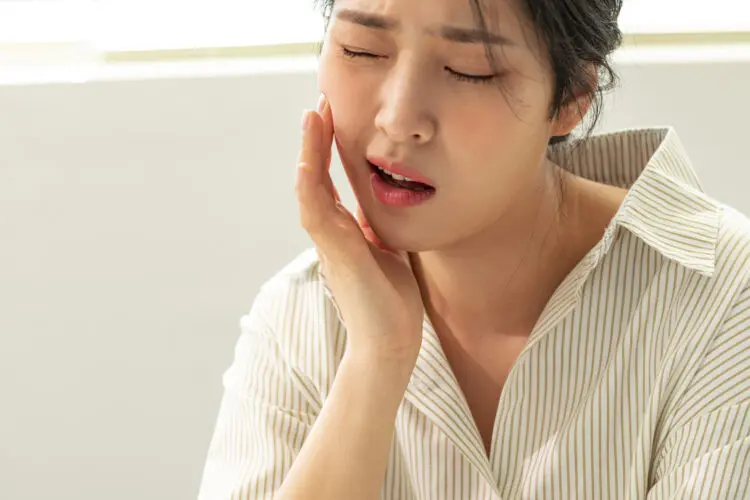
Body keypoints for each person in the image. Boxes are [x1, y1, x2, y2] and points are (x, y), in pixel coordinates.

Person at [198, 0, 750, 498]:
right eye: (362, 49)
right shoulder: (298, 318)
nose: (398, 119)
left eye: (470, 70)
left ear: (572, 96)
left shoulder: (721, 298)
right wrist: (376, 357)